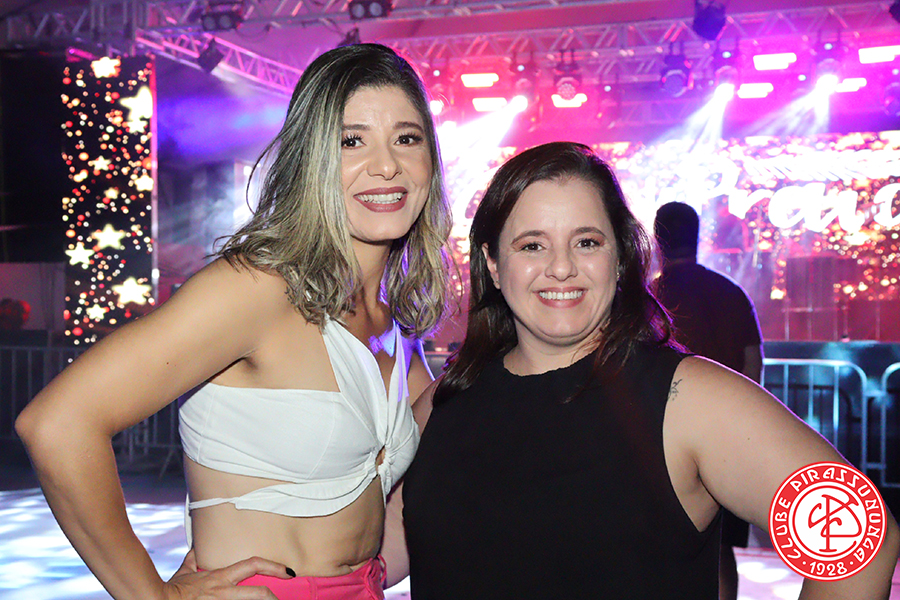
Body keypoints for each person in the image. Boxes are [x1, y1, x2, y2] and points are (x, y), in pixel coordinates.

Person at [15, 43, 452, 600]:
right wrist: (154, 596)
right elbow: (58, 423)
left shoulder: (392, 320)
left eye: (406, 138)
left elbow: (406, 477)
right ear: (309, 161)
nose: (386, 164)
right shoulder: (257, 289)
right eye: (351, 141)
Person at [399, 142, 899, 599]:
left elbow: (862, 542)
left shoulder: (688, 401)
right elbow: (372, 558)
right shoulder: (441, 406)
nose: (561, 267)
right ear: (491, 263)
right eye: (532, 245)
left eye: (586, 242)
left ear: (619, 258)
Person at [653, 200, 763, 600]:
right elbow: (753, 365)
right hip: (727, 440)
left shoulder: (646, 297)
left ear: (657, 240)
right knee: (719, 549)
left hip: (659, 441)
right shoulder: (730, 292)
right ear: (699, 236)